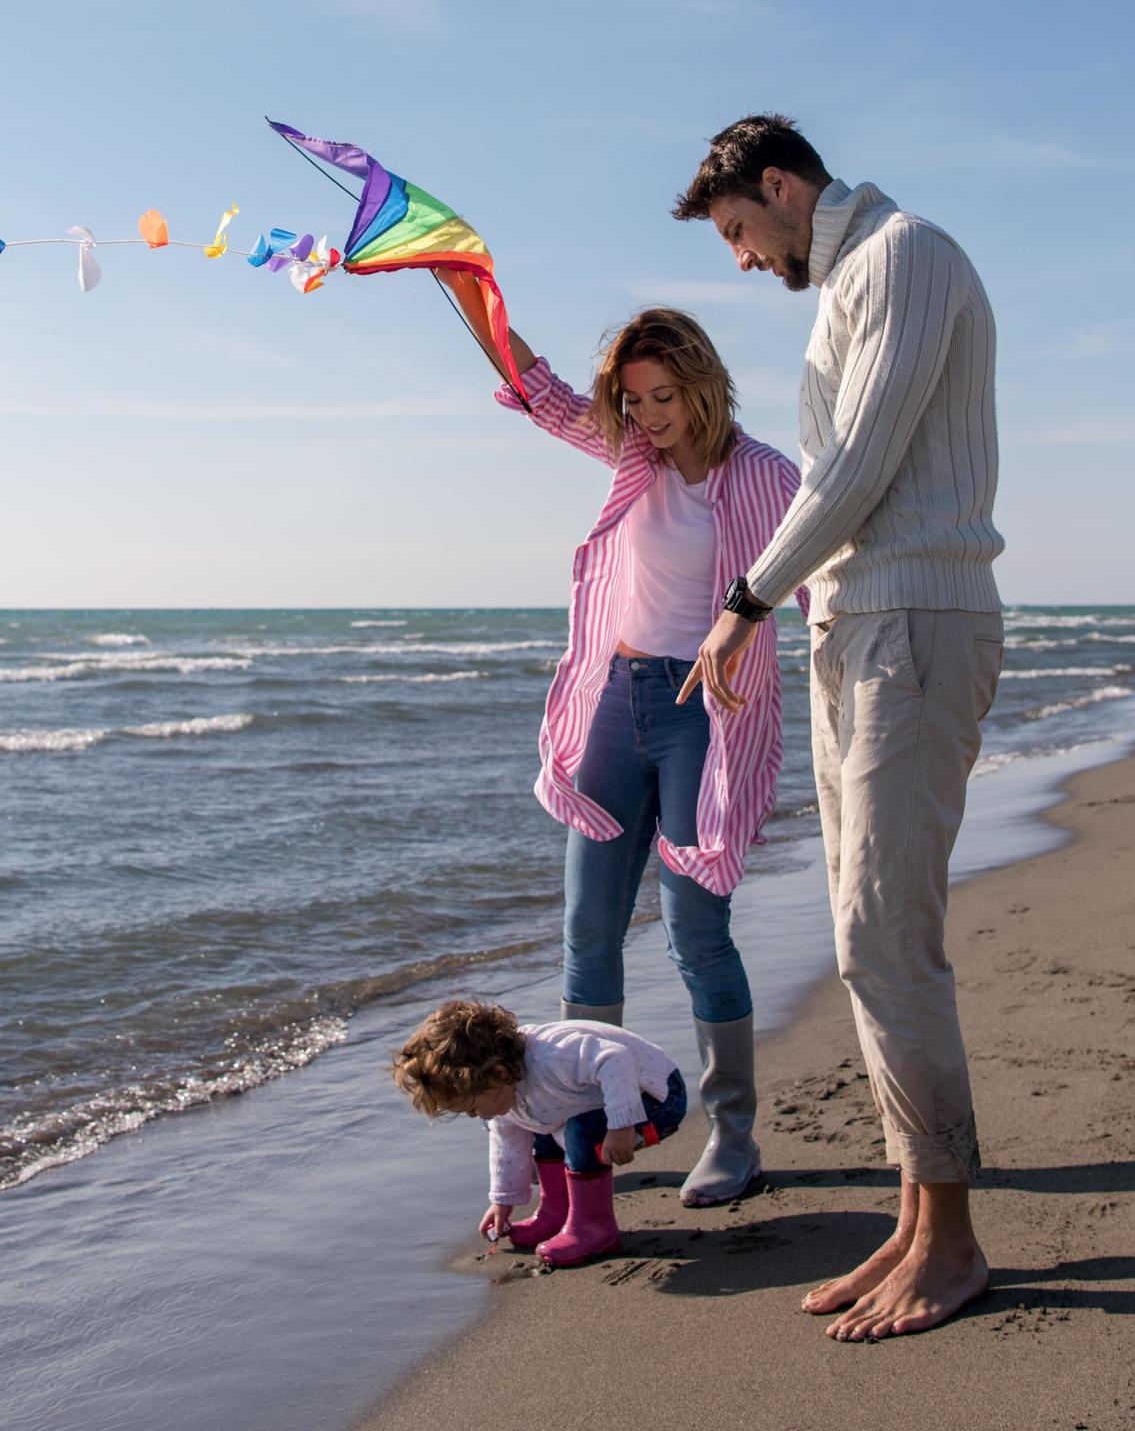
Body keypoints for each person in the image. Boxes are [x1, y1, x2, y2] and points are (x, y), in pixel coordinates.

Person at [670, 114, 1006, 1344]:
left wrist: (743, 603)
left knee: (883, 933)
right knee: (864, 936)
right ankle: (919, 1218)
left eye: (741, 233)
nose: (744, 260)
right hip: (857, 625)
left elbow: (856, 463)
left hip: (916, 619)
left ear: (781, 185)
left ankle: (956, 1239)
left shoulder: (909, 254)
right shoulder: (849, 284)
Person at [496, 309, 801, 1207]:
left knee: (694, 934)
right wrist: (468, 287)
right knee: (588, 934)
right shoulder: (634, 455)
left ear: (705, 383)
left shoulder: (765, 477)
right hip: (614, 701)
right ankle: (590, 1132)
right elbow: (540, 392)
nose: (650, 415)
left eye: (664, 397)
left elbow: (824, 568)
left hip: (701, 715)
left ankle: (734, 1137)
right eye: (634, 400)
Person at [391, 997, 689, 1269]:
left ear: (498, 1074)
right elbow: (507, 1143)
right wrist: (502, 1202)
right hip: (598, 1101)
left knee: (580, 1130)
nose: (475, 1116)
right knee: (541, 1127)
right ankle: (556, 1213)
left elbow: (615, 1058)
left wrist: (621, 1125)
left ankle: (594, 1228)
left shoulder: (552, 1058)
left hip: (656, 1096)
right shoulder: (504, 1091)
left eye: (471, 1107)